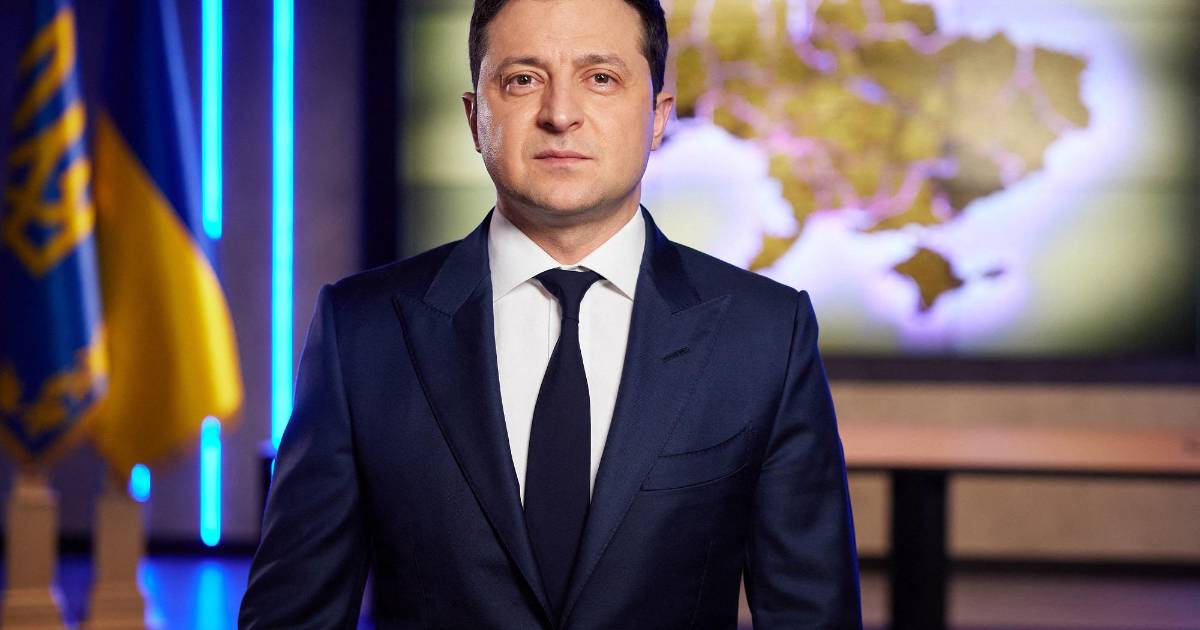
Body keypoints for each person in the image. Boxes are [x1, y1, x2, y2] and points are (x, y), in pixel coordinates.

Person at [238, 0, 862, 627]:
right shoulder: (362, 332)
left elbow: (812, 615)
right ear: (474, 117)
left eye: (601, 78)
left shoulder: (765, 335)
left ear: (658, 117)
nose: (560, 114)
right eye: (522, 79)